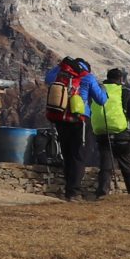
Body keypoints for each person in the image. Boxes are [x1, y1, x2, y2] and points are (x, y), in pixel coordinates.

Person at [88, 66, 130, 196]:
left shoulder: (99, 90)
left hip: (102, 133)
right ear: (121, 79)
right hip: (122, 134)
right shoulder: (125, 92)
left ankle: (102, 192)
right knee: (126, 164)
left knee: (106, 165)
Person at [45, 60, 89, 201]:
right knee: (78, 156)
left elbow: (47, 79)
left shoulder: (59, 73)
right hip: (78, 120)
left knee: (66, 153)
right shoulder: (87, 77)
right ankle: (74, 192)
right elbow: (101, 99)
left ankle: (68, 191)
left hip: (59, 118)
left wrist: (59, 65)